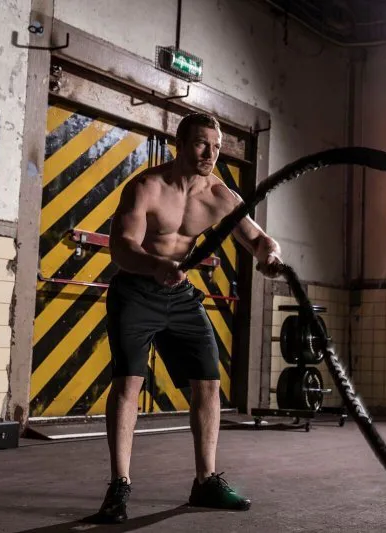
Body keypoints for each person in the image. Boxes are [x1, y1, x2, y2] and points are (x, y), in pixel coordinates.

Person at [91, 112, 283, 524]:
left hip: (179, 295)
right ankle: (119, 486)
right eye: (200, 144)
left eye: (216, 147)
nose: (209, 154)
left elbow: (258, 239)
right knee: (128, 383)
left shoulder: (220, 196)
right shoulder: (147, 187)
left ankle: (205, 481)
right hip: (136, 292)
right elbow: (121, 247)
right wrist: (155, 265)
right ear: (179, 144)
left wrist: (269, 254)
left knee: (208, 382)